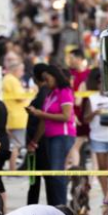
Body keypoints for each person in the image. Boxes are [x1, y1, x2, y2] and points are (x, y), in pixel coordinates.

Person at [26, 66, 76, 206]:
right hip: (50, 137)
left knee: (57, 173)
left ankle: (61, 206)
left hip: (62, 136)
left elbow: (66, 116)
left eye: (48, 79)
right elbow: (44, 121)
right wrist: (34, 141)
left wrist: (40, 113)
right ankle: (58, 205)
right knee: (54, 174)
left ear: (55, 77)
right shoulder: (50, 95)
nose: (46, 83)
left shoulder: (64, 92)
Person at [83, 70, 108, 200]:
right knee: (102, 169)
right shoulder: (92, 99)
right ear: (97, 84)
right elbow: (85, 119)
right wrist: (95, 113)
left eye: (107, 83)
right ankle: (106, 197)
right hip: (98, 137)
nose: (103, 86)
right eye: (101, 83)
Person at [26, 64, 52, 205]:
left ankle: (33, 209)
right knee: (36, 181)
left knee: (36, 181)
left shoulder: (44, 93)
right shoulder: (46, 92)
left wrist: (33, 142)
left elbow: (43, 120)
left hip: (40, 144)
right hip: (41, 143)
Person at [3, 62, 31, 171]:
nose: (22, 73)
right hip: (17, 118)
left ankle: (12, 168)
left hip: (13, 117)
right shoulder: (11, 80)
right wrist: (31, 92)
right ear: (15, 70)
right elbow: (20, 97)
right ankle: (12, 169)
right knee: (16, 145)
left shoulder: (8, 79)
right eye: (21, 70)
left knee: (14, 144)